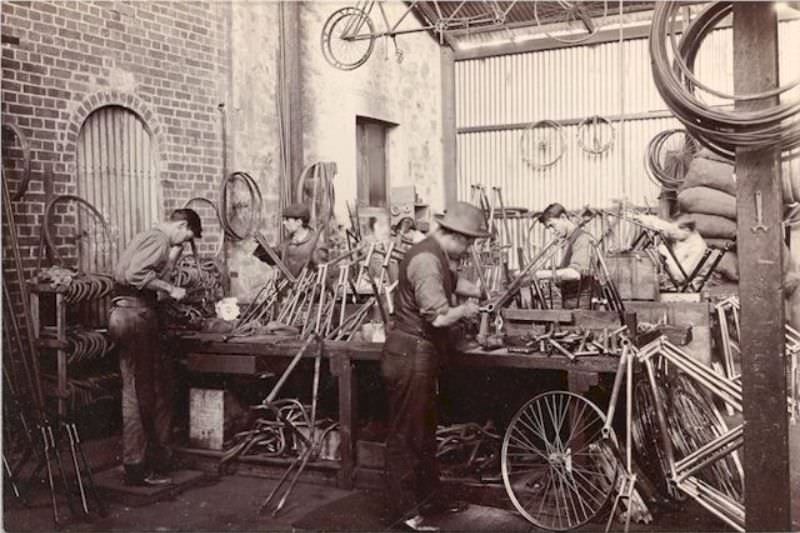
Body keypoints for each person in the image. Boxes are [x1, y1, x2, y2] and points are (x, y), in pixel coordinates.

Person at [382, 201, 485, 532]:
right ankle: (404, 515)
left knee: (424, 432)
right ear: (451, 235)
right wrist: (467, 311)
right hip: (411, 354)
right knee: (408, 435)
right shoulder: (426, 259)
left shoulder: (435, 254)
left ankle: (430, 500)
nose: (468, 248)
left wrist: (480, 290)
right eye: (467, 241)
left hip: (418, 354)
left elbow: (451, 281)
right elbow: (439, 316)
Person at [108, 208, 202, 486]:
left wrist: (171, 260)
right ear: (182, 225)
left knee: (133, 389)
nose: (184, 243)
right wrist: (171, 289)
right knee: (145, 393)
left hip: (122, 314)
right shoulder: (160, 239)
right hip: (136, 316)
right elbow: (138, 274)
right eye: (186, 236)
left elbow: (132, 271)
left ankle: (137, 460)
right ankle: (139, 466)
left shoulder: (148, 236)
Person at [534, 202, 595, 309]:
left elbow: (575, 274)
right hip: (571, 302)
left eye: (552, 225)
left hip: (582, 306)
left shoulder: (582, 239)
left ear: (563, 217)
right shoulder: (569, 241)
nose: (553, 232)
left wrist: (541, 274)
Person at [279, 203, 325, 278]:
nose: (284, 223)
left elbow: (322, 277)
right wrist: (263, 247)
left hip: (305, 288)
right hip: (285, 287)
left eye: (287, 220)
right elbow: (275, 257)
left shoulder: (317, 245)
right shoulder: (287, 241)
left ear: (299, 222)